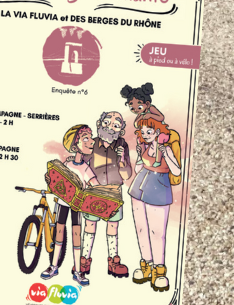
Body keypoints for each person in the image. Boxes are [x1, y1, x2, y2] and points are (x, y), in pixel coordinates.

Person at [128, 115, 181, 292]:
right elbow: (137, 169)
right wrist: (137, 155)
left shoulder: (166, 148)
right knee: (141, 229)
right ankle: (146, 265)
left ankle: (159, 270)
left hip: (159, 187)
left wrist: (167, 154)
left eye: (149, 131)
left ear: (158, 131)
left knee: (157, 232)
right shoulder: (144, 146)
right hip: (139, 185)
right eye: (143, 132)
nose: (146, 135)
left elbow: (176, 170)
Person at [41, 123, 96, 285]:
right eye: (85, 138)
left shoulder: (86, 167)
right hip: (62, 204)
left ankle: (78, 272)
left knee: (76, 238)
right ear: (75, 145)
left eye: (90, 138)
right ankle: (53, 266)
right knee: (59, 236)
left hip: (77, 206)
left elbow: (94, 184)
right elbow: (59, 182)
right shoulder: (66, 164)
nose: (91, 142)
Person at [82, 110, 133, 279]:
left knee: (113, 226)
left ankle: (113, 261)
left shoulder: (122, 146)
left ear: (121, 129)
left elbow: (126, 176)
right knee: (90, 224)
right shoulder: (92, 144)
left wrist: (122, 161)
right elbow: (82, 166)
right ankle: (84, 259)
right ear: (99, 123)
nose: (110, 127)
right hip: (93, 191)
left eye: (116, 124)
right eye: (107, 123)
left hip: (114, 192)